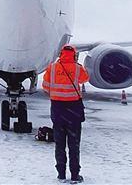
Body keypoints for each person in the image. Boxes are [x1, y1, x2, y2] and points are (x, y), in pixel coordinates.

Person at [42, 45, 90, 184]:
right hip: (73, 111)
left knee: (59, 145)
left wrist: (58, 92)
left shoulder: (52, 68)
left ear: (60, 54)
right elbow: (85, 79)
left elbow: (45, 86)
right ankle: (75, 175)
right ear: (74, 55)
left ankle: (61, 174)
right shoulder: (77, 68)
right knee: (74, 145)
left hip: (58, 110)